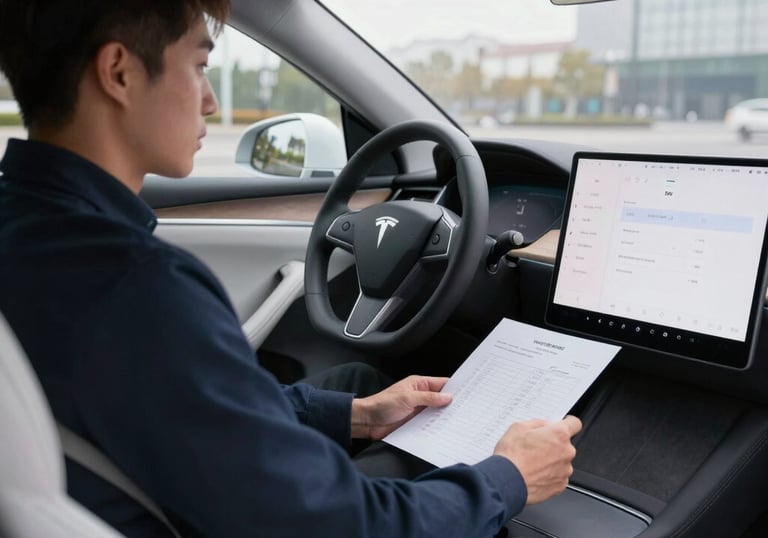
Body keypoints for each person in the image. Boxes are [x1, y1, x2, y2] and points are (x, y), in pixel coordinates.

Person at [0, 1, 581, 536]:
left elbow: (186, 405)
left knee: (358, 385)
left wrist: (357, 418)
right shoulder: (138, 287)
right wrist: (508, 478)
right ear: (119, 71)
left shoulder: (29, 234)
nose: (209, 101)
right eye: (199, 66)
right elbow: (342, 526)